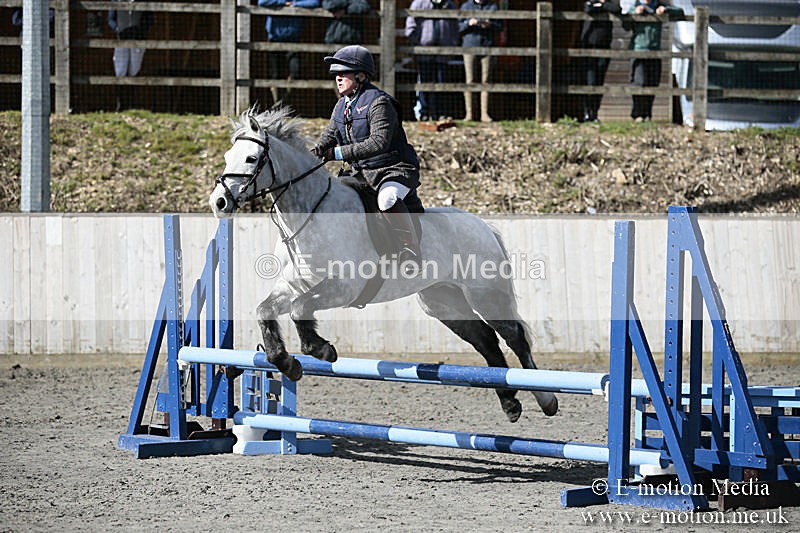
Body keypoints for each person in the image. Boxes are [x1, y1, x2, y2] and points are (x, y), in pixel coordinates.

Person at [311, 45, 423, 273]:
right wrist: (316, 151)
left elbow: (378, 143)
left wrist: (337, 154)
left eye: (344, 73)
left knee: (387, 200)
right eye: (336, 74)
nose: (338, 78)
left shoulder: (380, 102)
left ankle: (409, 250)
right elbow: (330, 135)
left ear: (361, 76)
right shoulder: (342, 105)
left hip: (394, 169)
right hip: (362, 173)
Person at [623, 0, 683, 121]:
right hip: (638, 50)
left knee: (653, 83)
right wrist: (635, 14)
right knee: (639, 82)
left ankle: (647, 114)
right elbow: (625, 25)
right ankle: (637, 114)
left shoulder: (658, 5)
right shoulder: (635, 6)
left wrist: (666, 10)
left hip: (655, 51)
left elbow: (680, 12)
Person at [258, 0, 321, 106]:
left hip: (294, 39)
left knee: (295, 72)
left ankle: (283, 101)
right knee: (276, 74)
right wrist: (282, 2)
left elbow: (314, 2)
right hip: (275, 39)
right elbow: (262, 2)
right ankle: (277, 102)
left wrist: (294, 4)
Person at [405, 0, 459, 121]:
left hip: (444, 51)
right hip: (424, 50)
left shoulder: (449, 4)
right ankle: (424, 112)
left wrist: (453, 42)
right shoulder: (419, 3)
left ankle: (440, 113)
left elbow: (455, 26)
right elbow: (411, 25)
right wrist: (415, 42)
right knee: (425, 82)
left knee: (442, 83)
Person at [458, 0, 502, 122]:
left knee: (486, 81)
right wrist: (468, 23)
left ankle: (485, 114)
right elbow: (457, 27)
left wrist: (490, 25)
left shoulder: (492, 7)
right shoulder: (465, 6)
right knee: (470, 80)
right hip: (469, 46)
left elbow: (500, 26)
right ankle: (469, 114)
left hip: (487, 46)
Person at [580, 0, 621, 122]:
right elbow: (589, 9)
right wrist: (599, 6)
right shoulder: (589, 2)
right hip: (589, 48)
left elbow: (617, 9)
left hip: (604, 47)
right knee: (590, 81)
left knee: (599, 81)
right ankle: (587, 112)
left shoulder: (607, 4)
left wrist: (602, 5)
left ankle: (595, 113)